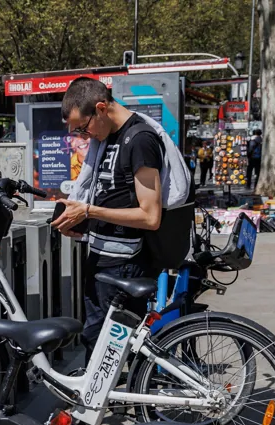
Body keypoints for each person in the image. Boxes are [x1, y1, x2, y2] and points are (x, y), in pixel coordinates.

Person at [50, 77, 165, 363]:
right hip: (101, 260)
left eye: (83, 128)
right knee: (96, 345)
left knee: (108, 354)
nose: (83, 136)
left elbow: (150, 216)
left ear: (101, 108)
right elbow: (110, 195)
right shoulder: (108, 137)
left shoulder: (139, 139)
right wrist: (80, 223)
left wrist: (88, 212)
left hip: (124, 266)